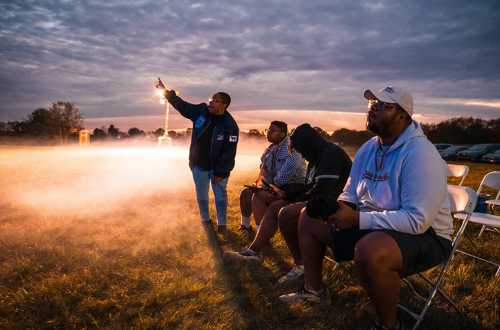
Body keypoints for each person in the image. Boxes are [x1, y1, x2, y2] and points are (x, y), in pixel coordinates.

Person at [279, 86, 453, 330]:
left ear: (403, 115)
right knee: (308, 217)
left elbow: (417, 220)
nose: (373, 109)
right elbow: (351, 192)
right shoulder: (370, 147)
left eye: (383, 105)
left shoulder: (420, 154)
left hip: (427, 235)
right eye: (372, 104)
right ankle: (314, 290)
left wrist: (358, 219)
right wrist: (338, 208)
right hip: (374, 222)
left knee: (369, 250)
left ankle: (388, 324)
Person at [225, 124, 351, 274]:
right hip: (319, 200)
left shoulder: (330, 155)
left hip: (337, 204)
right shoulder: (316, 156)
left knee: (285, 211)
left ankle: (301, 265)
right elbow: (310, 187)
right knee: (275, 206)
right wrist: (286, 194)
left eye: (302, 151)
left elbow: (323, 191)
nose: (302, 156)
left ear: (309, 145)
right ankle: (253, 252)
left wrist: (293, 197)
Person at [162, 83, 239, 233]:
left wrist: (221, 172)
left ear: (224, 105)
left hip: (218, 169)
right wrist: (167, 93)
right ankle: (205, 220)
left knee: (220, 196)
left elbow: (230, 151)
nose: (211, 102)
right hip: (199, 165)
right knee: (202, 195)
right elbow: (182, 106)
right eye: (211, 99)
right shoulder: (201, 111)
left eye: (216, 100)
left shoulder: (230, 125)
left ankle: (222, 225)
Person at [239, 121, 306, 232]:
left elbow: (281, 180)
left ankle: (262, 235)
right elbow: (264, 170)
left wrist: (265, 186)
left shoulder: (291, 148)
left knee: (258, 196)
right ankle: (245, 227)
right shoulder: (272, 148)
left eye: (272, 130)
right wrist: (258, 184)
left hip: (292, 190)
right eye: (268, 130)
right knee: (246, 193)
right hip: (274, 187)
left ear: (283, 134)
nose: (268, 133)